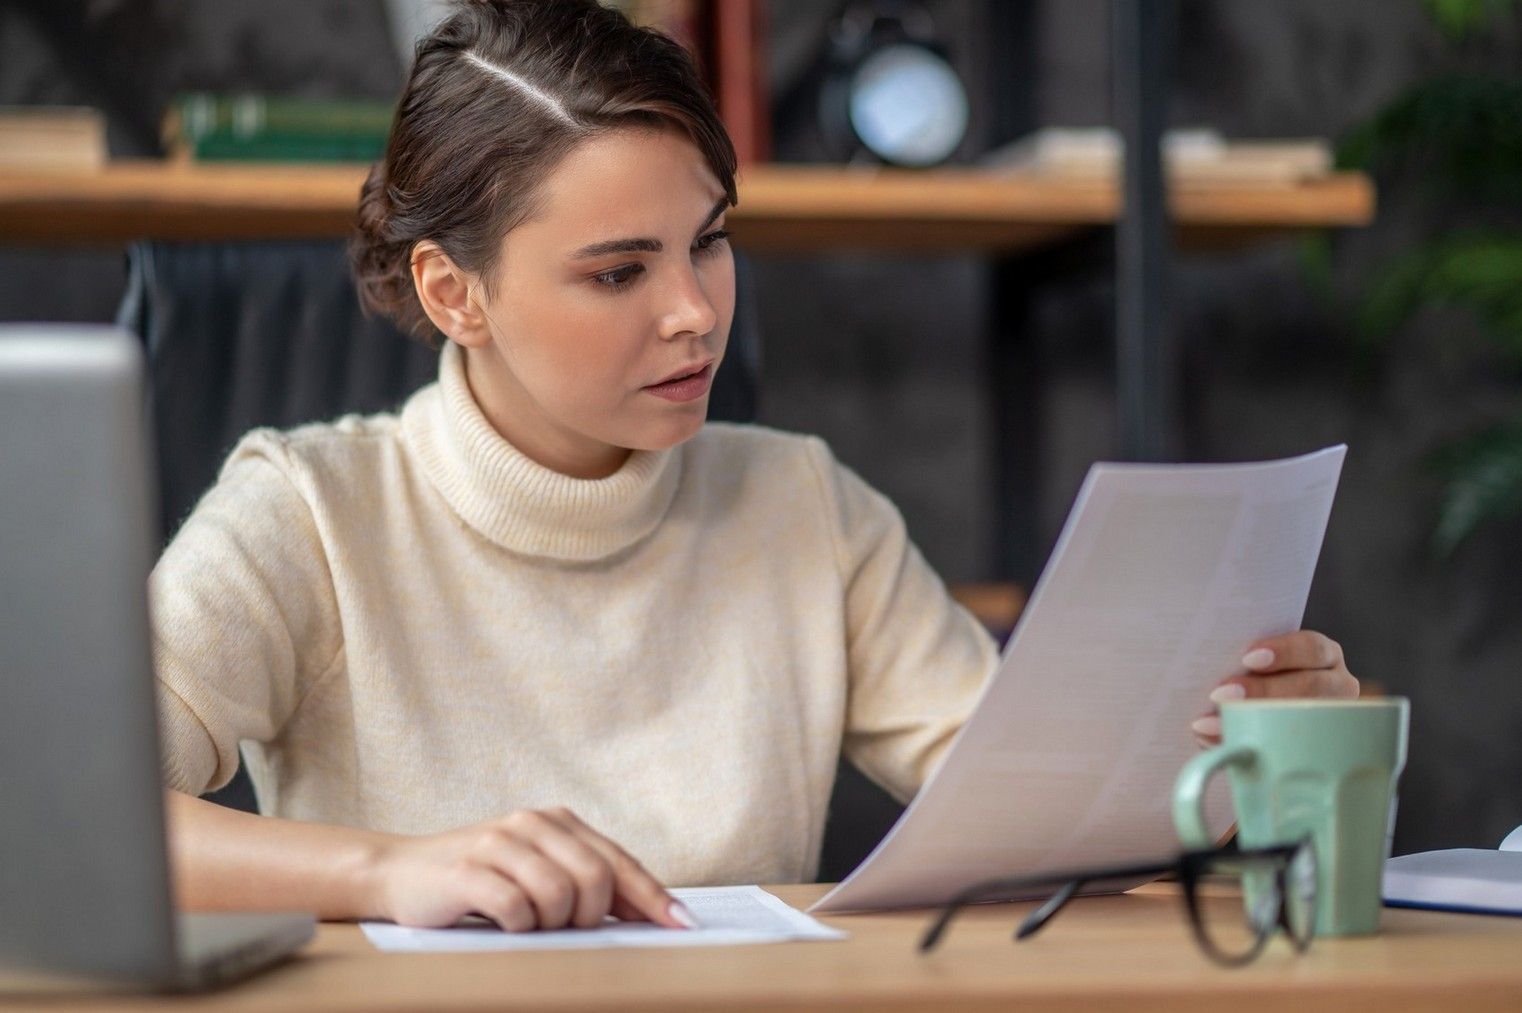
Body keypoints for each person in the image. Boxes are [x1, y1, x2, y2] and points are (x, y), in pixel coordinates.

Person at [153, 0, 1359, 934]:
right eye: (620, 271)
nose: (694, 311)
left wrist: (1254, 759)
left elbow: (1050, 815)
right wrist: (388, 868)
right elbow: (51, 817)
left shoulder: (803, 506)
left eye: (711, 241)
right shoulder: (308, 512)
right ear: (453, 292)